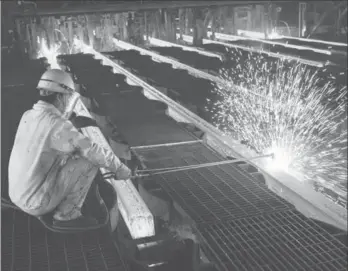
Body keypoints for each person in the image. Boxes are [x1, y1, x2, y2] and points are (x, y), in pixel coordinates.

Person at [8, 69, 131, 228]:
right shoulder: (58, 125)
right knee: (89, 162)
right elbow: (91, 150)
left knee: (72, 156)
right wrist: (120, 167)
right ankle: (66, 216)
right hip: (35, 202)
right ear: (60, 96)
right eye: (68, 98)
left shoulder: (28, 115)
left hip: (18, 194)